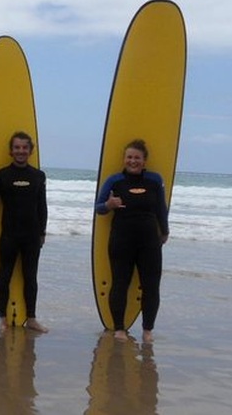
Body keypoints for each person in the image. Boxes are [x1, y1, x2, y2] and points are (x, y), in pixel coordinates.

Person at [95, 139, 169, 343]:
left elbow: (161, 209)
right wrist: (109, 204)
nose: (133, 161)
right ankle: (119, 328)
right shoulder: (114, 180)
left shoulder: (155, 180)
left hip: (149, 241)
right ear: (124, 159)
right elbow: (98, 208)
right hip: (121, 239)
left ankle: (148, 330)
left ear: (144, 161)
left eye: (137, 157)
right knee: (120, 283)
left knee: (151, 285)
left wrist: (165, 231)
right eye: (129, 157)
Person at [0, 131, 49, 333]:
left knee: (30, 277)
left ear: (30, 150)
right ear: (11, 150)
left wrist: (43, 231)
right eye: (17, 147)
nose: (21, 151)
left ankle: (32, 318)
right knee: (4, 276)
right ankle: (2, 318)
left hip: (32, 236)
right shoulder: (1, 176)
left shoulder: (38, 176)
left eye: (25, 147)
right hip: (9, 235)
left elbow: (42, 206)